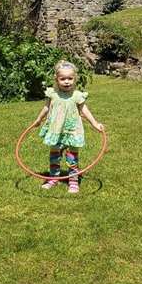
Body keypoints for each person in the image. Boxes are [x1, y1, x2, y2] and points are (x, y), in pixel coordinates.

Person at [32, 61, 103, 194]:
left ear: (74, 79)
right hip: (56, 131)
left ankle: (73, 181)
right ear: (56, 80)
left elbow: (85, 111)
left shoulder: (77, 96)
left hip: (72, 131)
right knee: (54, 157)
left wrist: (95, 124)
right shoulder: (52, 94)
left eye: (70, 79)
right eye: (62, 79)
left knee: (72, 158)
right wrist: (37, 120)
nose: (66, 82)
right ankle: (53, 178)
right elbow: (46, 108)